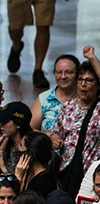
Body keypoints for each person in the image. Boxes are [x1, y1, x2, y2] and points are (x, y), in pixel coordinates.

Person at [51, 55, 100, 192]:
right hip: (66, 172)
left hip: (91, 175)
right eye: (80, 80)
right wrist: (54, 139)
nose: (83, 84)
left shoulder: (98, 108)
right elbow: (56, 132)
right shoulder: (68, 107)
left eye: (89, 80)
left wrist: (92, 58)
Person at [31, 54, 79, 132]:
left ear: (78, 74)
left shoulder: (85, 98)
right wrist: (50, 138)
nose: (63, 77)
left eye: (68, 72)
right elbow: (31, 129)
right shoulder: (44, 98)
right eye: (59, 72)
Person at [0, 101, 33, 172]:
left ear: (18, 124)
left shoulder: (28, 148)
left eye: (5, 121)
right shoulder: (6, 142)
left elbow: (19, 179)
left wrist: (2, 167)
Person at [15, 131, 60, 196]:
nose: (18, 149)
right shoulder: (29, 172)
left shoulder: (42, 183)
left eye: (21, 146)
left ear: (31, 155)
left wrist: (18, 179)